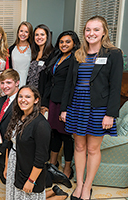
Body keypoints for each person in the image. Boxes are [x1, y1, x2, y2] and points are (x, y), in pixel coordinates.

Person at [60, 16, 123, 200]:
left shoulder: (114, 54)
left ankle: (88, 186)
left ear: (104, 32)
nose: (91, 33)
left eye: (96, 29)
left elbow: (115, 86)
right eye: (88, 29)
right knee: (79, 146)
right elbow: (69, 85)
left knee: (93, 149)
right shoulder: (77, 54)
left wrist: (110, 114)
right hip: (76, 105)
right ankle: (79, 185)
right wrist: (64, 109)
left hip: (98, 108)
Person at [42, 31, 80, 179]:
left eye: (68, 42)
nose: (64, 44)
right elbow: (49, 80)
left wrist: (65, 107)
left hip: (66, 102)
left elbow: (71, 85)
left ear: (74, 43)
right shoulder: (57, 56)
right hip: (53, 99)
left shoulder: (75, 59)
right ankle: (52, 164)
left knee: (66, 136)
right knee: (55, 133)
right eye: (62, 41)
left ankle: (67, 168)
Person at [4, 85, 51, 200]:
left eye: (28, 97)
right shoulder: (17, 116)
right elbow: (10, 144)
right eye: (20, 96)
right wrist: (7, 166)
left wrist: (31, 180)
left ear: (36, 100)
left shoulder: (41, 125)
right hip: (14, 162)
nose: (23, 100)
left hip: (29, 169)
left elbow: (41, 157)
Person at [26, 24, 54, 97]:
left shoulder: (52, 54)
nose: (39, 37)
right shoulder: (34, 53)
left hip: (43, 95)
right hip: (30, 93)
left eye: (42, 34)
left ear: (47, 36)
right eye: (36, 35)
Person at [9, 21, 33, 87]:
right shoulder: (11, 49)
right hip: (14, 82)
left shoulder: (33, 49)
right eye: (21, 31)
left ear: (29, 34)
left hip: (28, 83)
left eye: (26, 32)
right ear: (18, 32)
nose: (23, 34)